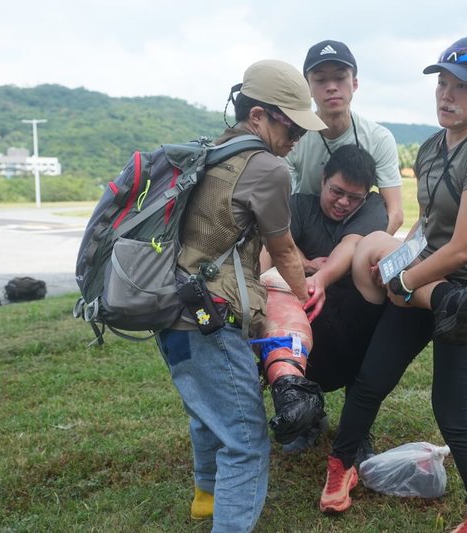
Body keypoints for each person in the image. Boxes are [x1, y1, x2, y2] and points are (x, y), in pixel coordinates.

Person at [318, 36, 467, 532]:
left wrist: (401, 278)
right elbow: (426, 228)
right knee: (370, 381)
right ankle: (341, 467)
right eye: (442, 84)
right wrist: (400, 263)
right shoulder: (429, 149)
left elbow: (464, 247)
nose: (447, 95)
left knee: (452, 414)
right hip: (426, 284)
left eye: (462, 88)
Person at [153, 59, 327, 532]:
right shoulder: (266, 167)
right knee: (247, 437)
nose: (297, 138)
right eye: (290, 126)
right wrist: (305, 292)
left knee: (208, 410)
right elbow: (283, 247)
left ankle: (206, 498)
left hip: (171, 311)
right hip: (209, 318)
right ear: (258, 117)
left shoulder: (212, 151)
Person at [270, 144, 389, 458]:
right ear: (322, 180)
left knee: (373, 337)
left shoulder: (372, 208)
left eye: (354, 197)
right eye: (337, 191)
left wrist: (321, 278)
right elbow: (279, 243)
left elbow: (352, 244)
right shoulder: (297, 205)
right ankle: (308, 417)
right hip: (307, 316)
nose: (344, 202)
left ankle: (357, 429)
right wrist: (308, 266)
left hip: (354, 316)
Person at [286, 39, 405, 234]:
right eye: (321, 80)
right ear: (307, 87)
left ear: (355, 83)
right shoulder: (292, 138)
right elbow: (277, 213)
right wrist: (301, 261)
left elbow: (395, 213)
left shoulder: (379, 139)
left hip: (357, 233)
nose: (331, 87)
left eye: (340, 78)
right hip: (304, 232)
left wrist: (361, 252)